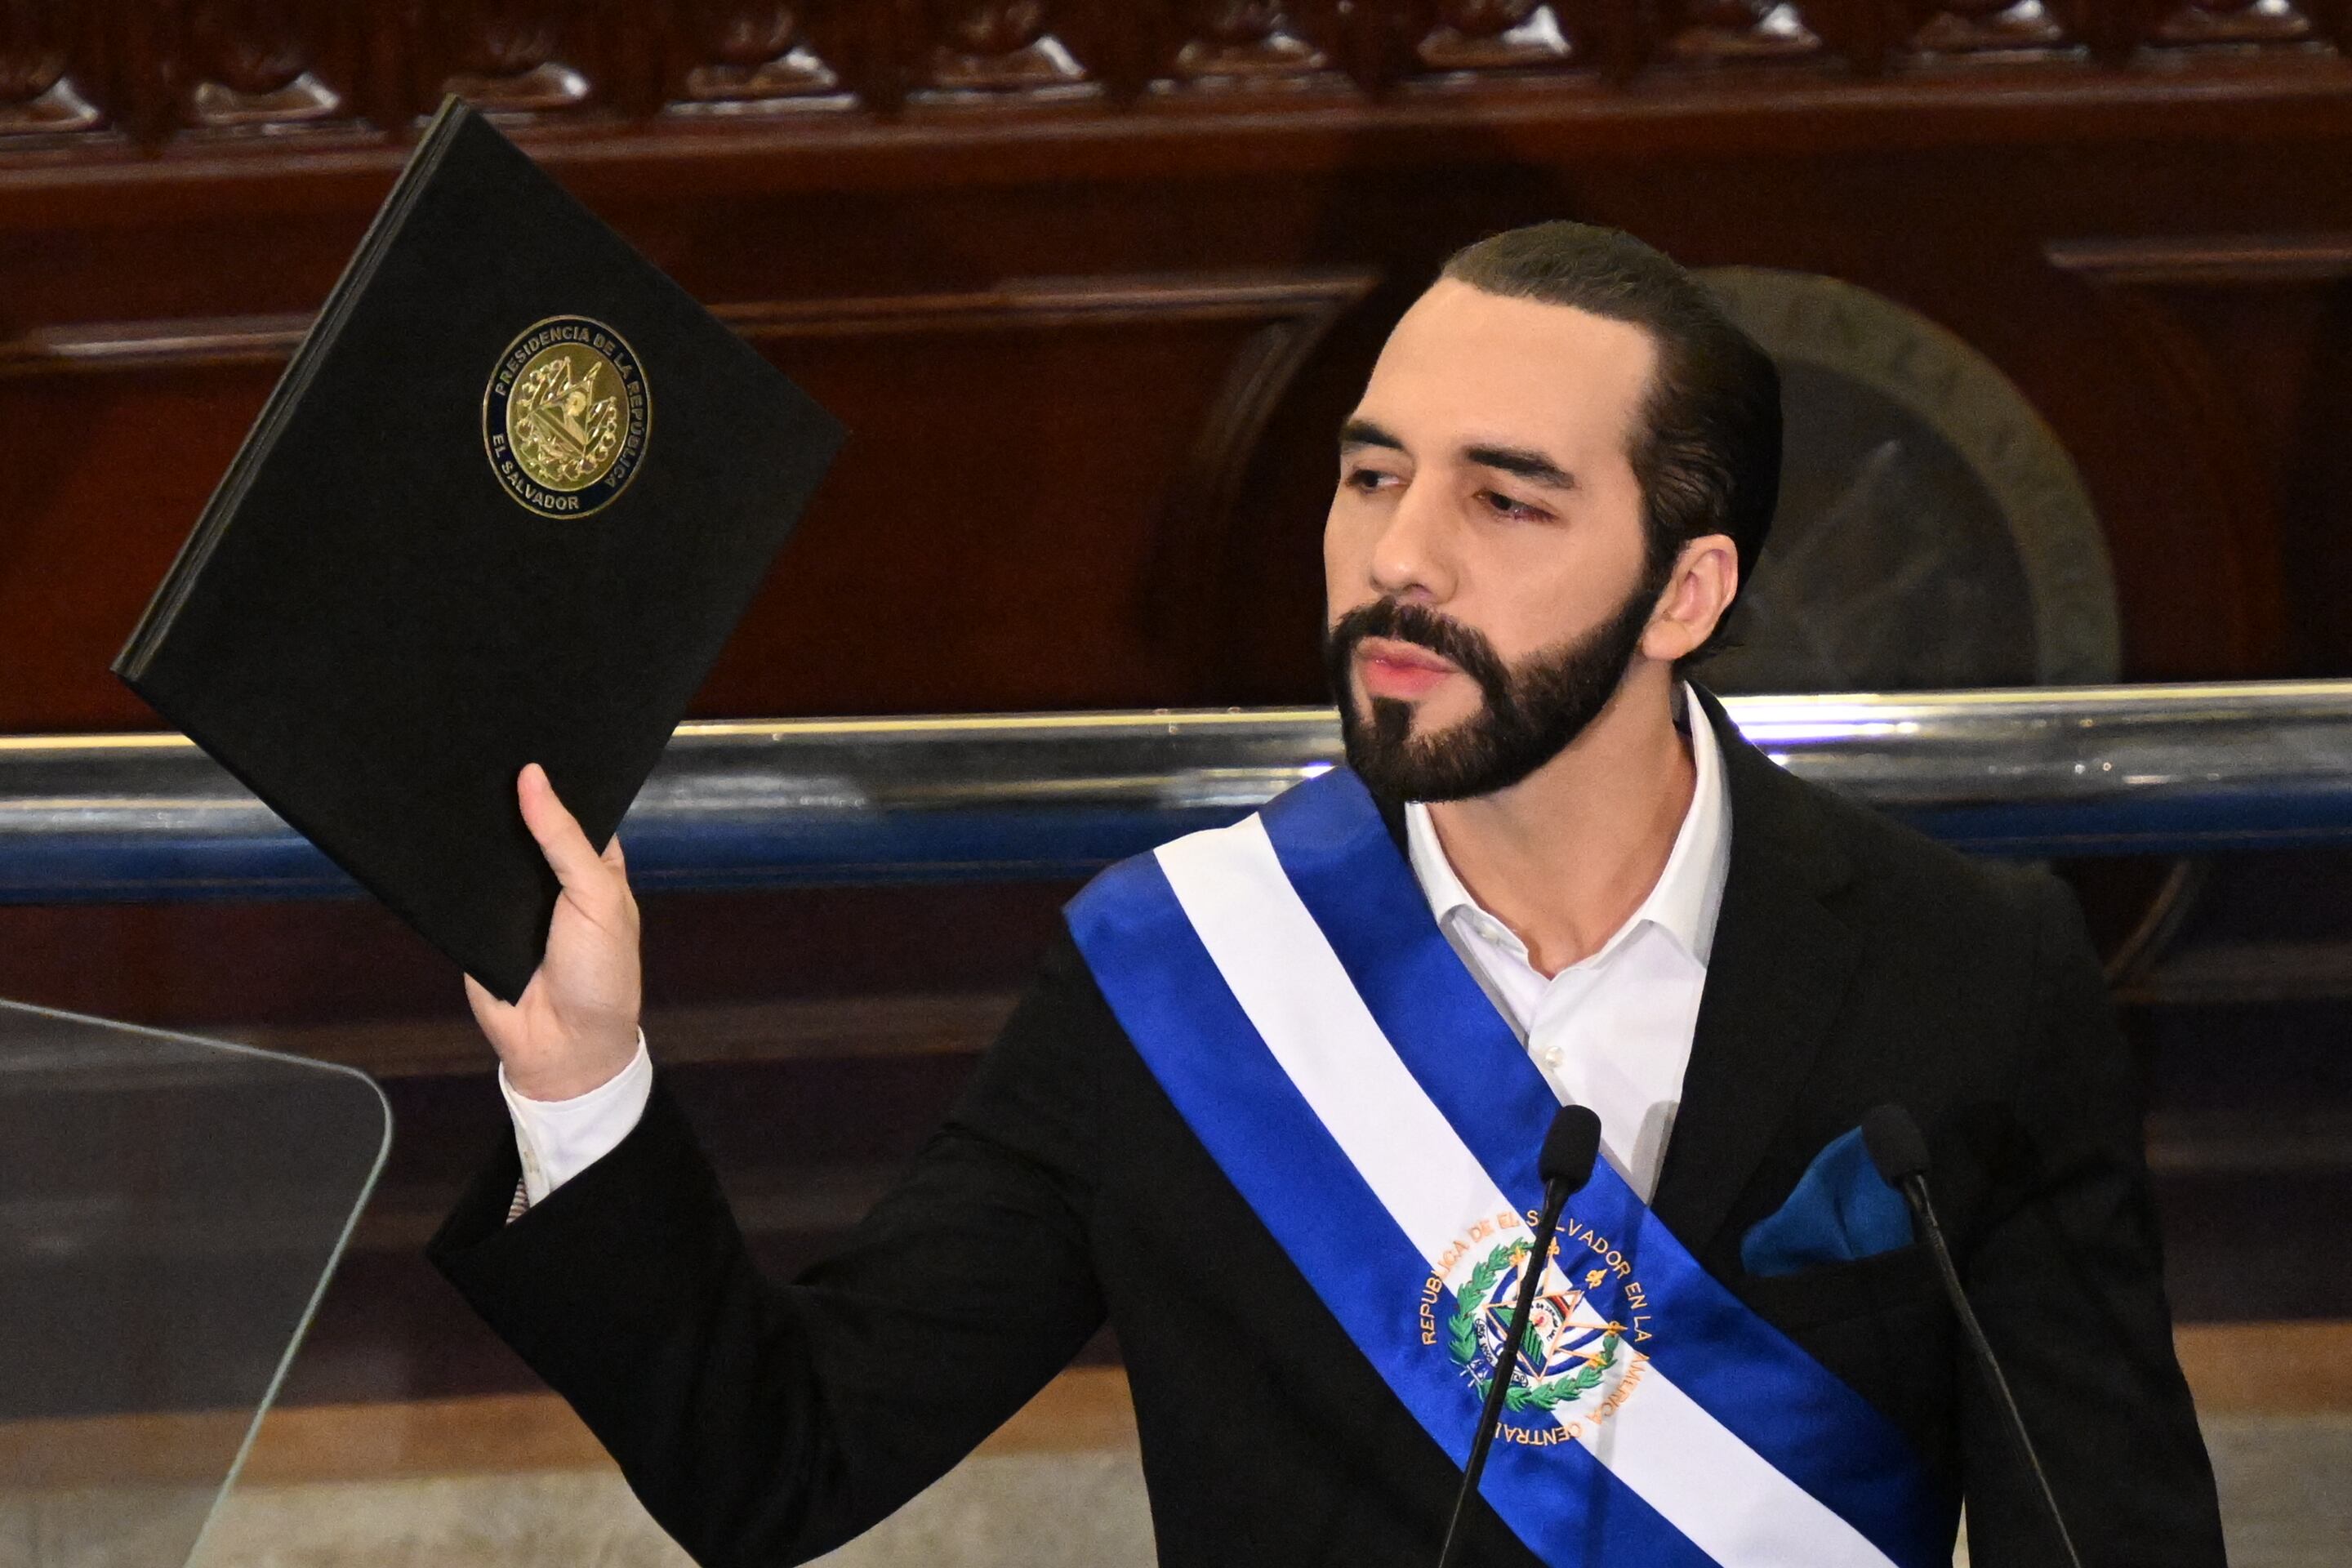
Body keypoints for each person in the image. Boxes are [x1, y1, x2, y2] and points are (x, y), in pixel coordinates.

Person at [431, 222, 2225, 1567]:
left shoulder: (1971, 976)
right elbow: (781, 1460)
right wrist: (583, 1076)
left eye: (1505, 502)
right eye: (1372, 475)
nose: (1396, 558)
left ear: (1685, 593)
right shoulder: (1182, 976)